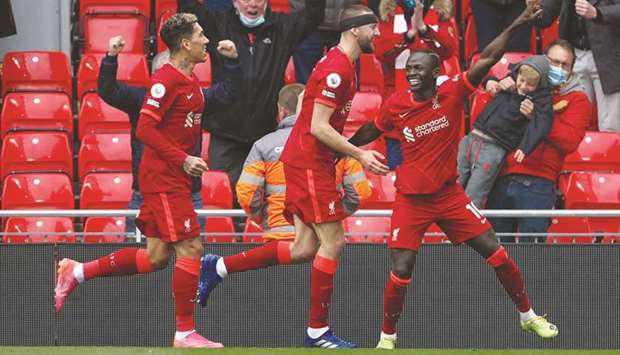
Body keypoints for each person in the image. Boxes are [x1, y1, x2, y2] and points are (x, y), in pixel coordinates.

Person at [348, 1, 559, 349]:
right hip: (412, 199)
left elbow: (488, 57)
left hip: (449, 196)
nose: (412, 73)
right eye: (409, 68)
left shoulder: (453, 92)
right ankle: (387, 338)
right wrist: (343, 147)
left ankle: (528, 316)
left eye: (419, 68)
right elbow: (372, 129)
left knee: (497, 252)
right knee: (401, 268)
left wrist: (522, 18)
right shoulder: (398, 104)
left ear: (434, 73)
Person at [196, 5, 389, 348]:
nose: (378, 34)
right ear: (355, 29)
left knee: (303, 249)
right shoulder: (338, 68)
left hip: (309, 161)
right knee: (334, 242)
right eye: (373, 28)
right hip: (311, 164)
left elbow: (307, 108)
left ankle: (218, 266)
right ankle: (317, 331)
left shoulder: (339, 63)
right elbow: (317, 125)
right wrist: (358, 153)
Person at [55, 14, 236, 348]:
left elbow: (225, 97)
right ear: (185, 43)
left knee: (155, 257)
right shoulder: (164, 81)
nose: (206, 40)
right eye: (200, 35)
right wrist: (183, 159)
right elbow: (144, 128)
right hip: (163, 179)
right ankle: (184, 333)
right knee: (191, 247)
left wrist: (233, 63)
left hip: (173, 180)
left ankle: (76, 271)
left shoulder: (190, 81)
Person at [178, 0, 326, 196]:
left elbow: (313, 15)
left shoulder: (282, 27)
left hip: (265, 133)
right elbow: (188, 10)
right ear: (234, 2)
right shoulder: (218, 23)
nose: (252, 5)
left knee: (266, 198)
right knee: (221, 196)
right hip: (225, 133)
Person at [98, 35, 241, 235]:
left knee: (192, 251)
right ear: (156, 76)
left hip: (189, 193)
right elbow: (107, 89)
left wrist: (233, 61)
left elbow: (228, 93)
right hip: (147, 193)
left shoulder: (195, 96)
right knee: (145, 256)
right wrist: (111, 57)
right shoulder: (140, 98)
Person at [486, 39, 592, 243]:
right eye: (553, 62)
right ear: (542, 61)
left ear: (571, 70)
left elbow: (569, 141)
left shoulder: (577, 99)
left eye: (564, 65)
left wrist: (538, 117)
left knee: (531, 260)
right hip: (500, 176)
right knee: (495, 256)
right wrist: (493, 83)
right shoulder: (524, 83)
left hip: (538, 183)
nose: (558, 68)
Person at [236, 84, 372, 241]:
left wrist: (262, 218)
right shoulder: (338, 144)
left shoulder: (262, 146)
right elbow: (359, 193)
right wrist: (332, 216)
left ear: (281, 111)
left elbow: (247, 195)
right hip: (323, 238)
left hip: (278, 238)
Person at [457, 55, 553, 208]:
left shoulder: (541, 100)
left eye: (530, 85)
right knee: (450, 189)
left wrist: (525, 147)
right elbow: (482, 75)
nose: (523, 86)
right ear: (518, 73)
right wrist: (491, 82)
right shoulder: (511, 78)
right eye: (521, 80)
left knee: (473, 197)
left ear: (539, 85)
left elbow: (542, 124)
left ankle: (466, 230)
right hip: (471, 138)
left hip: (493, 148)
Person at [535, 0, 620, 132]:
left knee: (611, 127)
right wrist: (534, 10)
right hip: (573, 57)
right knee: (573, 124)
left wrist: (598, 13)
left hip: (609, 57)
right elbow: (545, 16)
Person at [375, 0, 457, 97]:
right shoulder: (389, 15)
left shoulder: (440, 13)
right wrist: (408, 36)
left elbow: (449, 50)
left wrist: (424, 30)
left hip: (434, 86)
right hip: (396, 88)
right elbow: (381, 53)